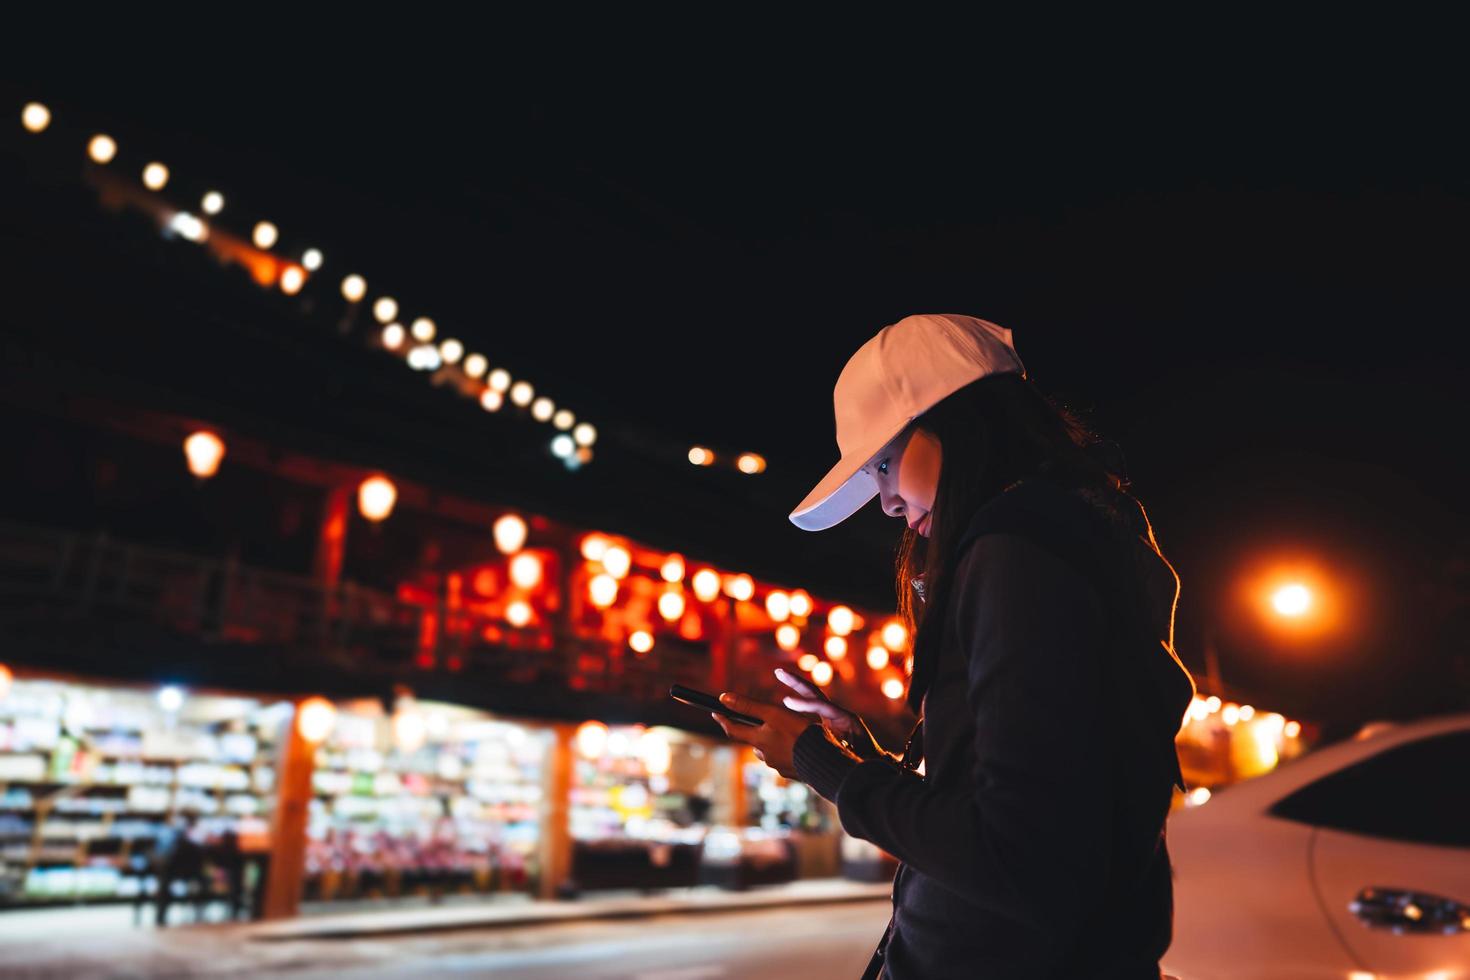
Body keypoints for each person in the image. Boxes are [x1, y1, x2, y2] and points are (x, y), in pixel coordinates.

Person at [709, 314, 1197, 979]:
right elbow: (1030, 809)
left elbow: (1018, 857)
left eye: (883, 463)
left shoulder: (1018, 549)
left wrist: (823, 766)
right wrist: (869, 754)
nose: (885, 502)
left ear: (953, 423)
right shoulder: (1086, 533)